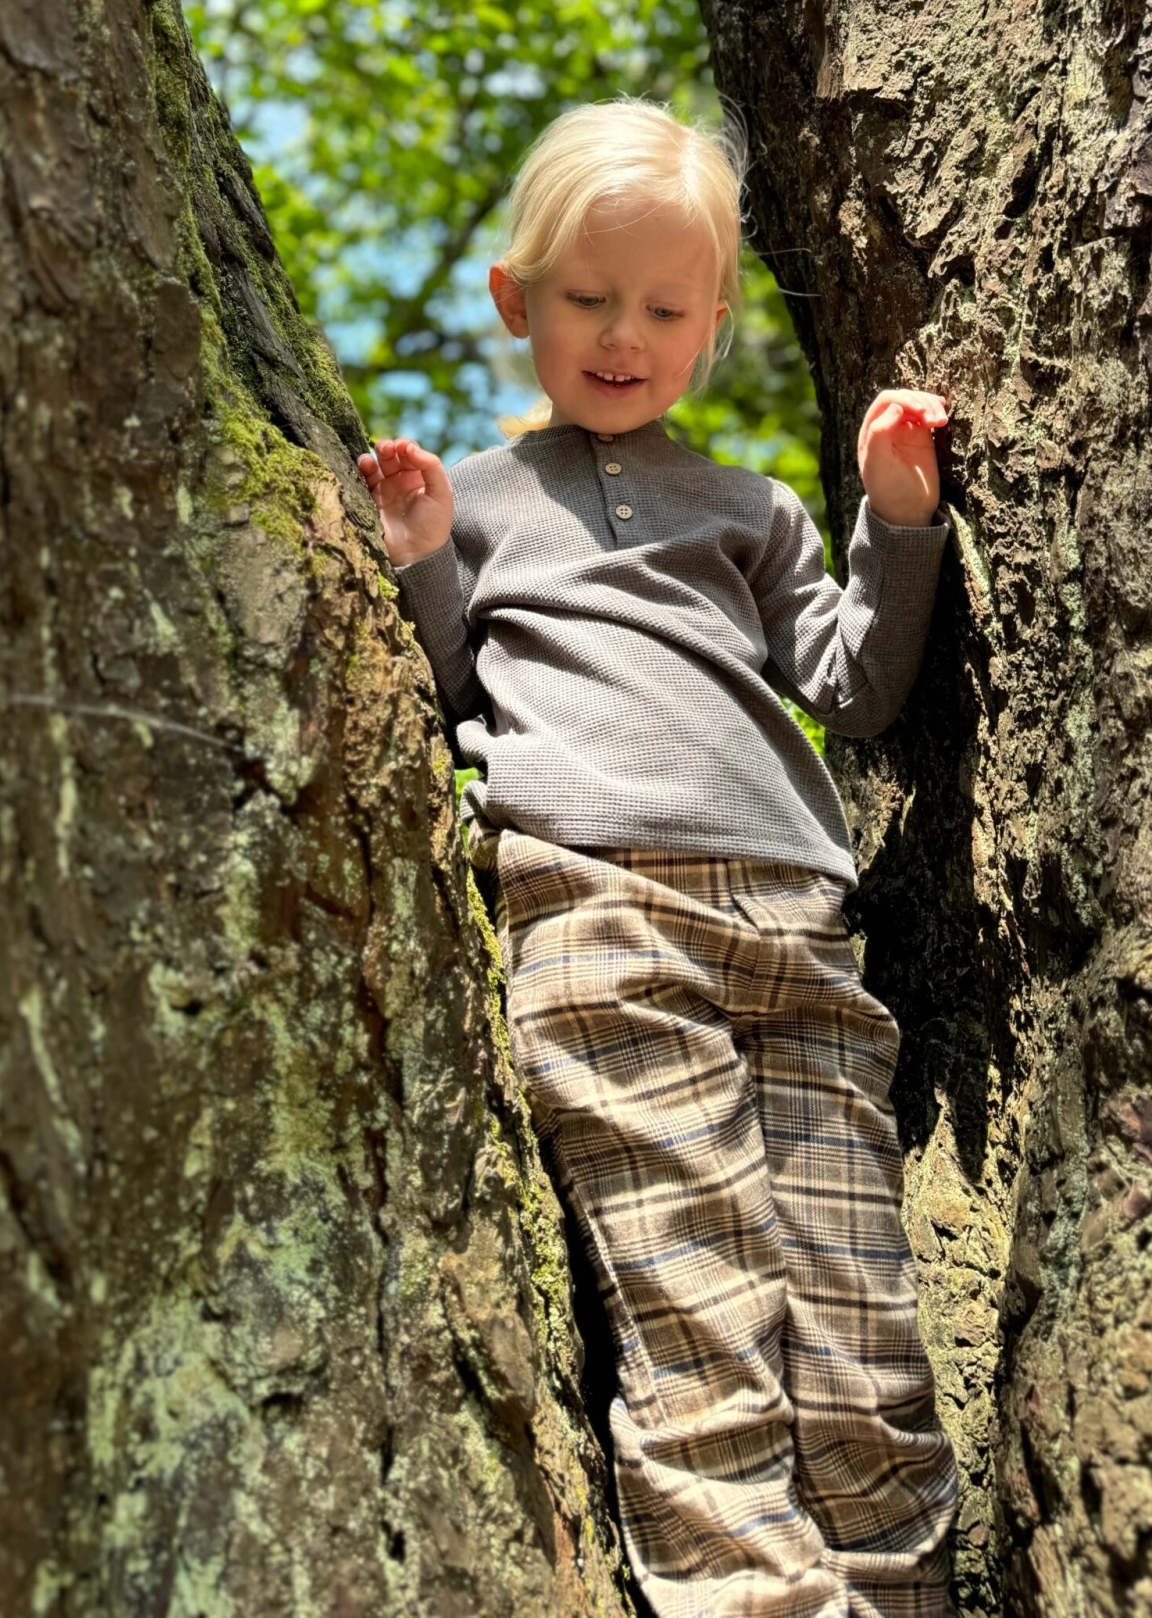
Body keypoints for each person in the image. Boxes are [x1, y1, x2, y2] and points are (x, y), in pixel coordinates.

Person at [357, 98, 959, 1618]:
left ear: (712, 327)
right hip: (603, 920)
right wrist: (426, 558)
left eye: (665, 309)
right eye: (587, 300)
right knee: (704, 1322)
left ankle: (897, 1593)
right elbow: (443, 695)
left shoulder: (749, 511)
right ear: (516, 302)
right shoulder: (483, 503)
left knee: (858, 1339)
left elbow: (851, 682)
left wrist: (896, 520)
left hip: (800, 941)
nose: (624, 334)